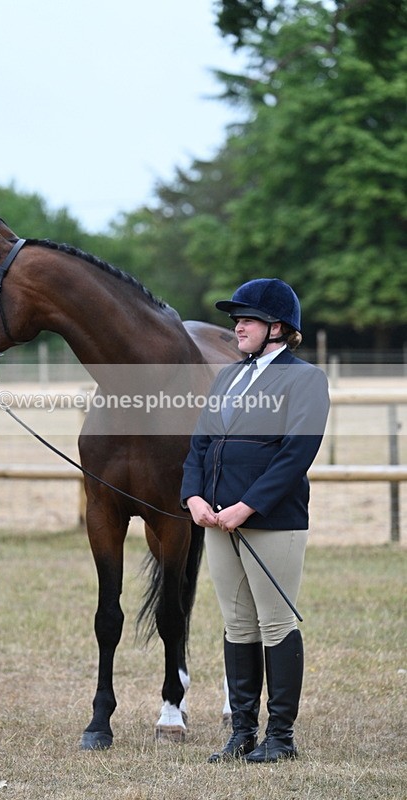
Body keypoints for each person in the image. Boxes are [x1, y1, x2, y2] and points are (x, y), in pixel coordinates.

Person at [181, 278, 330, 763]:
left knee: (275, 624)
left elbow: (295, 454)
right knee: (236, 624)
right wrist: (194, 497)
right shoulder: (227, 376)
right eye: (235, 318)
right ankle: (242, 732)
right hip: (218, 520)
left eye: (246, 318)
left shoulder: (304, 379)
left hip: (272, 521)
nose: (236, 326)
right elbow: (201, 444)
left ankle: (280, 737)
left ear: (278, 328)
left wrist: (248, 506)